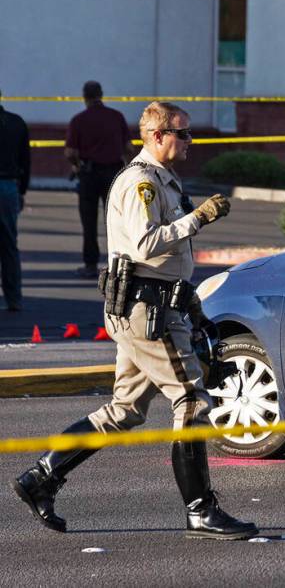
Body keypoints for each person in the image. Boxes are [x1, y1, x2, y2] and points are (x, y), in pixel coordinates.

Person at [11, 101, 257, 540]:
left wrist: (194, 309)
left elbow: (171, 263)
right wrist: (196, 219)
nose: (189, 141)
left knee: (124, 411)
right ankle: (201, 510)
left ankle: (41, 478)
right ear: (157, 135)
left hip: (153, 306)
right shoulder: (141, 182)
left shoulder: (164, 180)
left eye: (188, 133)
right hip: (148, 312)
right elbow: (146, 246)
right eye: (182, 133)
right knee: (192, 400)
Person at [65, 81, 135, 279]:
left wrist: (77, 164)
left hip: (89, 174)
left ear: (84, 97)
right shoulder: (116, 117)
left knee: (89, 221)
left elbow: (70, 151)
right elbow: (129, 148)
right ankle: (121, 265)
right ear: (101, 94)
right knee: (116, 222)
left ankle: (90, 264)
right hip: (114, 174)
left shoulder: (78, 120)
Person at [0, 89, 30, 312]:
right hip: (8, 186)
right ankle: (14, 298)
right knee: (9, 245)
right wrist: (22, 190)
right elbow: (25, 160)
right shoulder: (16, 122)